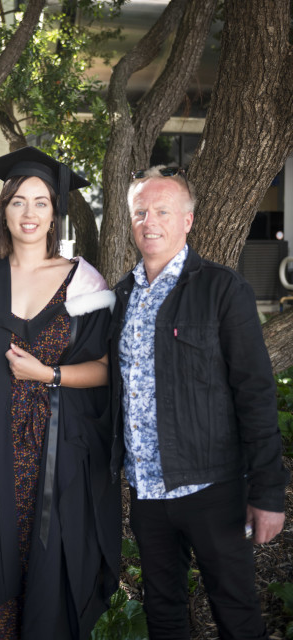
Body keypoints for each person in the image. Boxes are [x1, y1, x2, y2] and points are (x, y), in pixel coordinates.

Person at [0, 146, 121, 639]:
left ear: (55, 213)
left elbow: (106, 371)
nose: (29, 213)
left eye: (40, 202)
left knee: (51, 567)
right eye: (18, 201)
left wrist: (48, 374)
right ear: (4, 211)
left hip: (60, 454)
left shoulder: (83, 283)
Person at [109, 166, 290, 639]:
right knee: (163, 614)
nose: (150, 222)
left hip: (213, 488)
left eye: (163, 211)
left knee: (236, 613)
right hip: (147, 493)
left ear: (187, 220)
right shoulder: (121, 296)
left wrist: (268, 493)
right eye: (140, 212)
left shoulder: (222, 289)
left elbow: (255, 393)